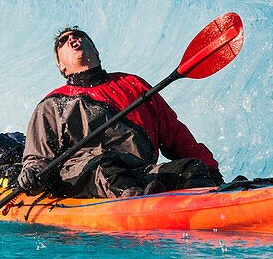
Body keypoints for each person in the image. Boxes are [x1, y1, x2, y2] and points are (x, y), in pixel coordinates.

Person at [17, 27, 223, 198]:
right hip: (88, 175)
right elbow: (38, 156)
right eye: (63, 41)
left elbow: (175, 134)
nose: (72, 39)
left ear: (96, 52)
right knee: (108, 167)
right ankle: (141, 201)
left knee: (192, 168)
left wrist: (211, 171)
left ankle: (196, 199)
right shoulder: (52, 104)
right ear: (61, 66)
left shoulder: (133, 84)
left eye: (79, 36)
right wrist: (32, 175)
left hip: (140, 174)